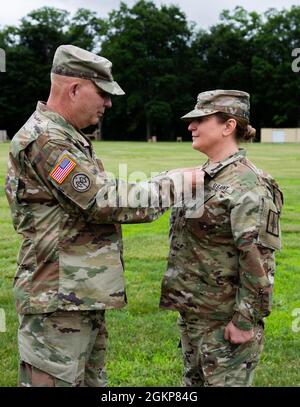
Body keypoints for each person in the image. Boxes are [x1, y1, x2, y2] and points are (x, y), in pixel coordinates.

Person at [5, 44, 198, 387]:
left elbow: (99, 188)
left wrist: (163, 180)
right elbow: (100, 200)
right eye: (103, 93)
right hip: (57, 299)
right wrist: (175, 185)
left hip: (76, 294)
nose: (109, 103)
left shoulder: (68, 137)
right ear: (75, 88)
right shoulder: (46, 140)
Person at [159, 89, 283, 387]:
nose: (191, 126)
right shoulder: (202, 177)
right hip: (195, 316)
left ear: (228, 126)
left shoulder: (249, 184)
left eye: (201, 119)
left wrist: (244, 321)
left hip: (225, 323)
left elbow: (258, 259)